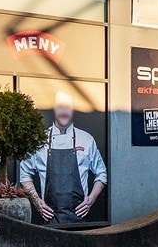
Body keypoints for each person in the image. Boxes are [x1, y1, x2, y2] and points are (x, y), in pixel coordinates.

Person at [20, 93, 108, 225]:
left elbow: (102, 174)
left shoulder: (87, 139)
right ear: (54, 109)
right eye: (60, 107)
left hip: (80, 219)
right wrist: (37, 202)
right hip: (49, 220)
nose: (64, 111)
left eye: (68, 107)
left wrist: (91, 199)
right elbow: (24, 174)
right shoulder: (39, 141)